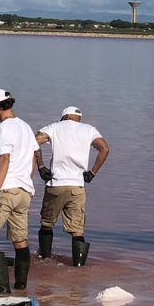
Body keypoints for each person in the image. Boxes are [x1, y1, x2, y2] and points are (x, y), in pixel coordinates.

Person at [0, 89, 38, 295]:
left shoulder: (4, 128)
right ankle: (21, 286)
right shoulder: (26, 127)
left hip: (5, 189)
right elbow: (33, 157)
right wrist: (26, 180)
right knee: (20, 240)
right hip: (24, 191)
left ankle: (1, 286)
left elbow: (4, 159)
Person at [34, 105, 109, 266]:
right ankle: (79, 268)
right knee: (77, 230)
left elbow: (35, 141)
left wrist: (40, 167)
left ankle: (44, 260)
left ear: (64, 117)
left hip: (56, 184)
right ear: (79, 119)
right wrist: (92, 173)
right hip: (77, 186)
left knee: (47, 224)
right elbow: (104, 149)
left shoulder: (54, 127)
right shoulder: (89, 130)